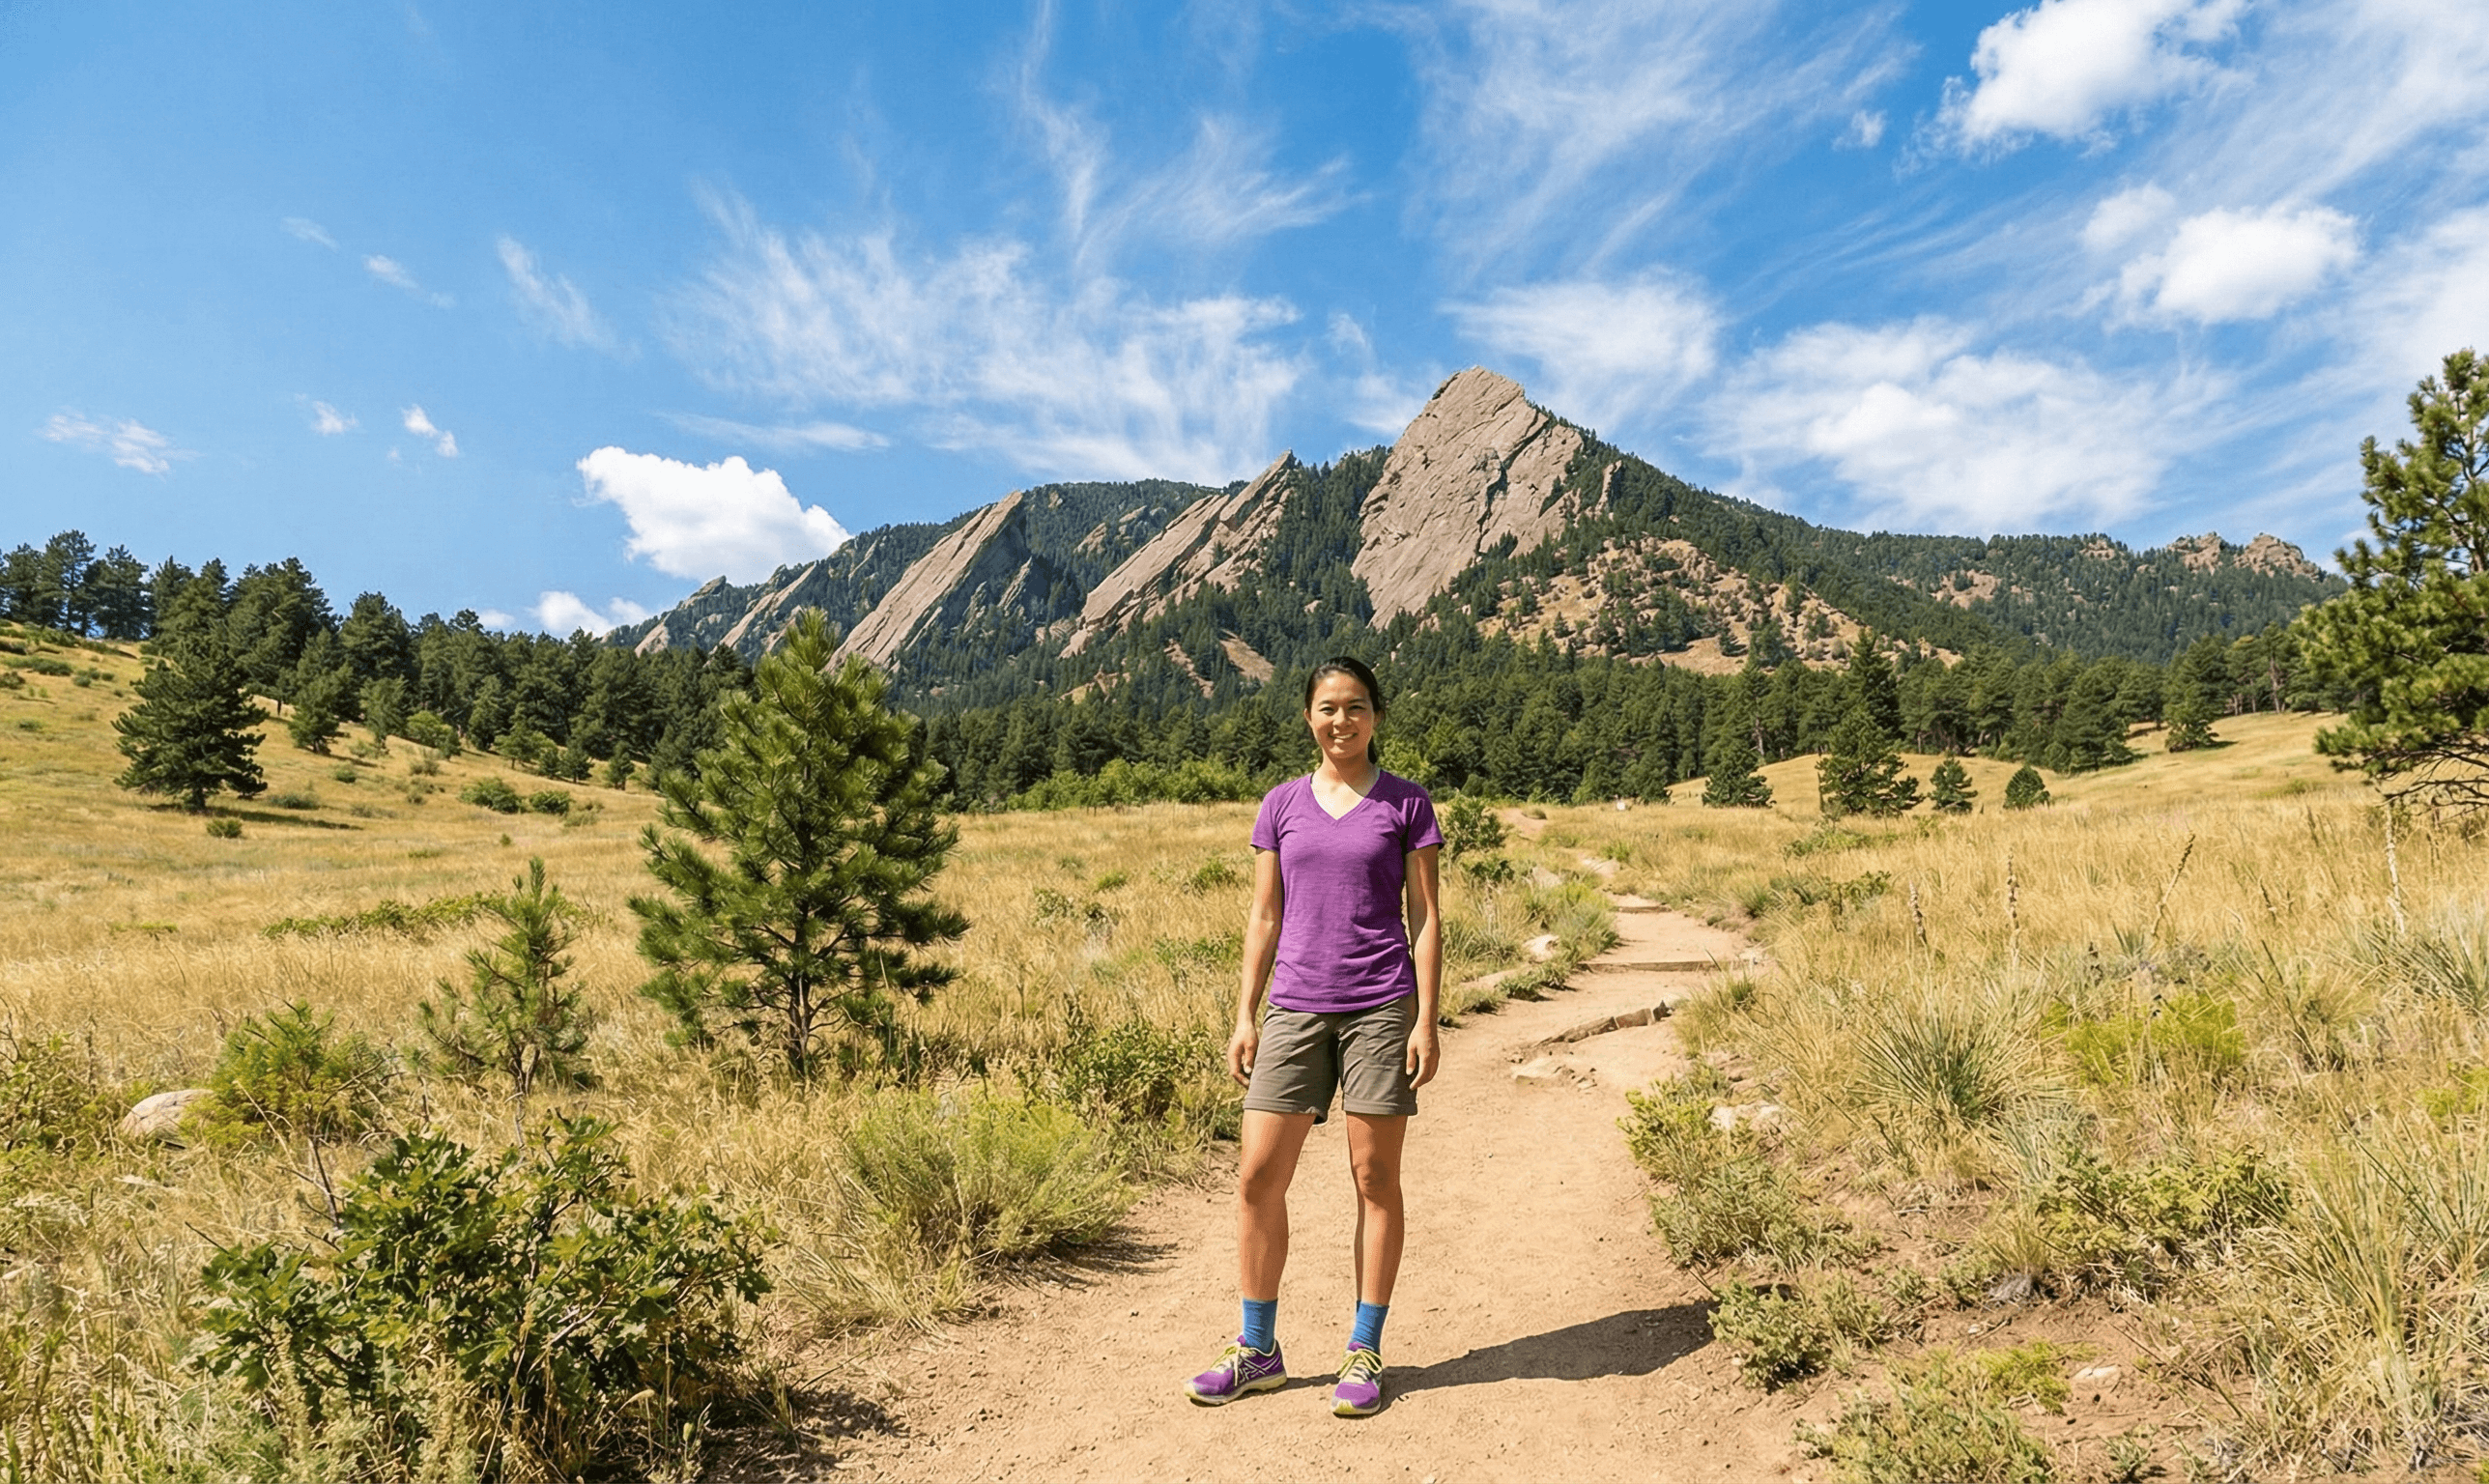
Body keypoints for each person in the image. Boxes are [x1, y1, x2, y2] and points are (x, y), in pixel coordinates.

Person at [1185, 656, 1443, 1418]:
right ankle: (1257, 1349)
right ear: (1308, 716)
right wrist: (1244, 1012)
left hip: (1380, 1005)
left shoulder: (1407, 804)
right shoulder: (1281, 805)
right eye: (1328, 707)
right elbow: (1264, 916)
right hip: (1294, 1007)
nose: (1342, 720)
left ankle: (1364, 1348)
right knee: (1258, 1176)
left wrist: (1427, 1017)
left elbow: (1425, 919)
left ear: (1376, 716)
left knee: (1374, 1179)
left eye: (1356, 706)